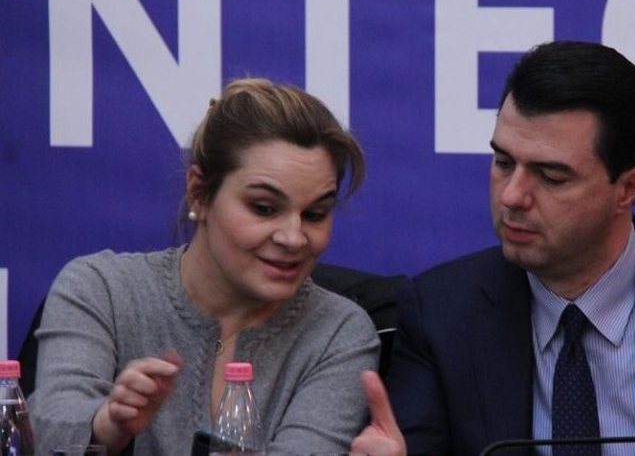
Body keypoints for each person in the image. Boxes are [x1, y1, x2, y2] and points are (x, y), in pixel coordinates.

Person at [351, 41, 635, 456]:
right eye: (503, 162)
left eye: (551, 176)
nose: (512, 196)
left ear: (628, 187)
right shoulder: (440, 313)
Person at [29, 78, 380, 455]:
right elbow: (46, 428)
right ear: (199, 192)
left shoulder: (339, 332)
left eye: (315, 214)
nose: (293, 238)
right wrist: (107, 425)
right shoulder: (101, 289)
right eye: (264, 208)